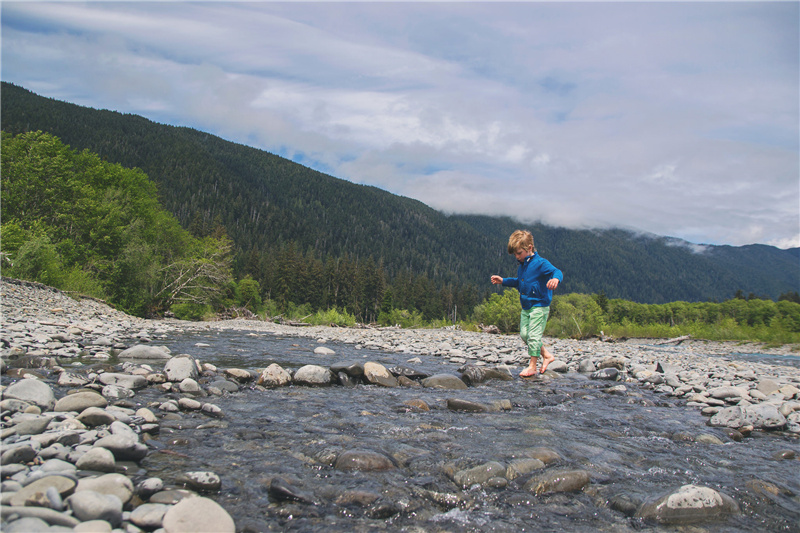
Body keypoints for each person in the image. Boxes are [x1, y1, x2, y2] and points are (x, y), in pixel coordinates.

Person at [491, 230, 563, 377]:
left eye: (519, 253)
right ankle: (547, 356)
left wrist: (556, 279)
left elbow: (557, 271)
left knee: (534, 336)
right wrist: (503, 281)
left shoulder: (540, 263)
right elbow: (519, 282)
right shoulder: (522, 265)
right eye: (515, 254)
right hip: (526, 307)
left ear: (529, 248)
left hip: (540, 305)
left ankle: (533, 366)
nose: (517, 257)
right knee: (525, 335)